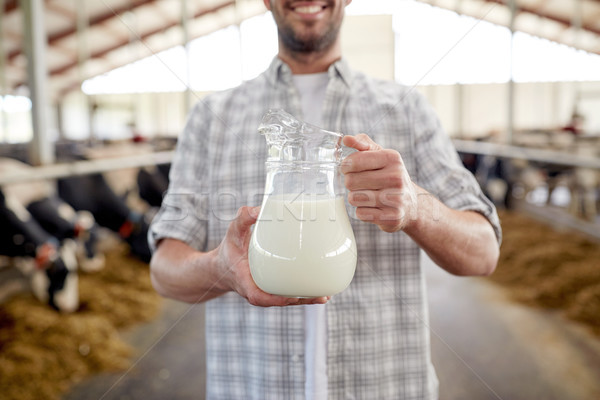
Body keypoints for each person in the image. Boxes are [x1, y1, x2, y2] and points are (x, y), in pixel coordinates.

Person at [148, 0, 501, 398]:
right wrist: (220, 267)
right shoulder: (210, 117)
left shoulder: (408, 109)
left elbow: (483, 253)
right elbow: (163, 269)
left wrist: (417, 206)